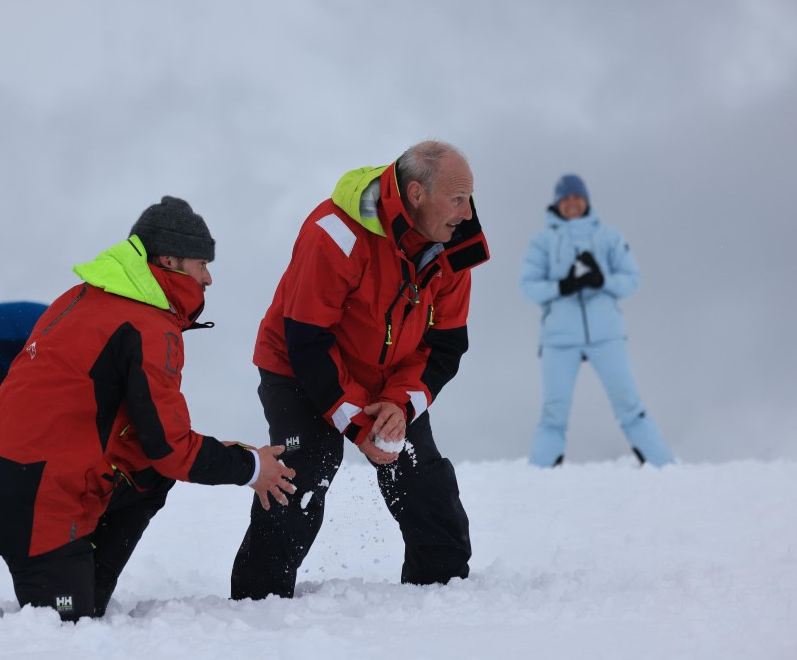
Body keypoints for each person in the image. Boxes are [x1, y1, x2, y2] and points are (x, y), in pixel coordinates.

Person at [0, 196, 295, 629]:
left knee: (146, 480)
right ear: (171, 262)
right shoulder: (148, 327)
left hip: (3, 474)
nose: (209, 279)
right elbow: (170, 446)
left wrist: (233, 453)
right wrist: (251, 466)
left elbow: (148, 439)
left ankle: (80, 581)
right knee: (61, 630)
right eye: (203, 265)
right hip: (34, 496)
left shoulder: (85, 297)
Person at [230, 140, 490, 601]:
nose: (467, 212)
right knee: (305, 468)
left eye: (469, 197)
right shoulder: (335, 233)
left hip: (387, 381)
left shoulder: (456, 243)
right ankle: (258, 603)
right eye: (456, 198)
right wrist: (357, 424)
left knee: (418, 469)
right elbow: (307, 340)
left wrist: (400, 404)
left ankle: (443, 593)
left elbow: (445, 344)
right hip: (298, 365)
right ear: (415, 194)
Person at [519, 174, 674, 467]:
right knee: (554, 412)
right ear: (556, 204)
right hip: (559, 339)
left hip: (606, 335)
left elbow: (631, 280)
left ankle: (663, 465)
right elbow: (528, 286)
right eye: (565, 199)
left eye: (577, 197)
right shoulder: (543, 241)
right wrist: (563, 286)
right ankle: (539, 473)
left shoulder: (609, 236)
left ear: (586, 200)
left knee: (629, 405)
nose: (572, 203)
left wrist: (602, 280)